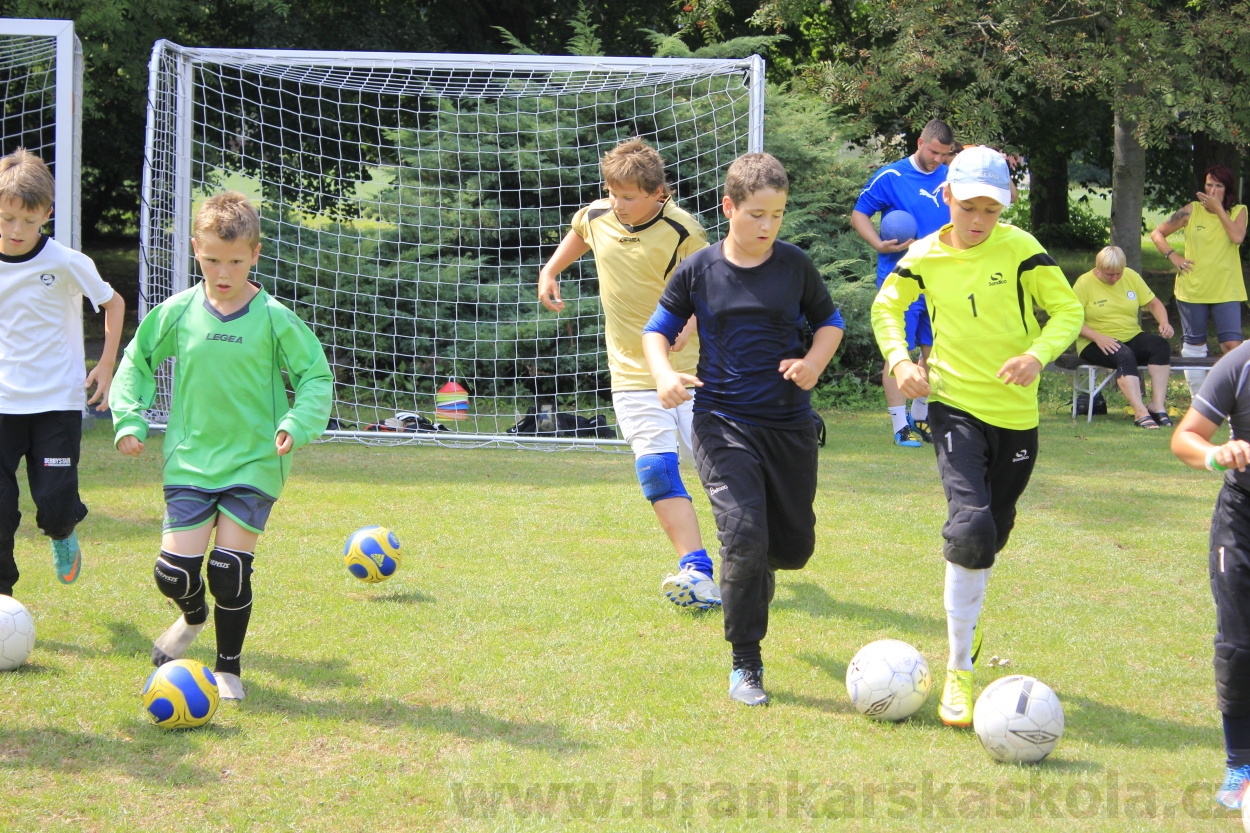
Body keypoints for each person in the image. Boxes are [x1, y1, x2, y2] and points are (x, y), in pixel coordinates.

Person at [870, 146, 1082, 727]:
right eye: (969, 207)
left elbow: (1065, 312)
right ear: (947, 198)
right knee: (971, 528)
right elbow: (886, 310)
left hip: (1016, 418)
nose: (979, 220)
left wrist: (1037, 356)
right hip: (954, 407)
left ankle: (971, 614)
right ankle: (960, 668)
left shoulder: (1022, 250)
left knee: (992, 535)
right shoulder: (923, 256)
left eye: (991, 209)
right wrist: (899, 360)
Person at [110, 192, 332, 701]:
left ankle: (228, 668)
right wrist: (129, 419)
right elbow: (136, 362)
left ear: (255, 254)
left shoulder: (275, 317)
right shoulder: (178, 312)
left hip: (255, 461)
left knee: (229, 570)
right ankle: (191, 617)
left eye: (235, 261)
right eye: (211, 259)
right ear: (195, 250)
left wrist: (297, 422)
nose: (223, 271)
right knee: (173, 575)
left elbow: (315, 377)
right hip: (190, 459)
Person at [642, 152, 844, 705]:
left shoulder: (795, 266)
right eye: (757, 214)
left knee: (793, 547)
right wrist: (663, 374)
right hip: (722, 422)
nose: (767, 226)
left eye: (777, 215)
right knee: (744, 537)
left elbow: (830, 322)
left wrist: (812, 365)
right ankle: (745, 662)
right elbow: (656, 330)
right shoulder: (700, 269)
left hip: (789, 425)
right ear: (729, 207)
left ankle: (753, 570)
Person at [538, 139, 720, 610]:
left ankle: (755, 547)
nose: (618, 204)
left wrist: (689, 325)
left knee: (719, 470)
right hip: (630, 373)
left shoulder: (685, 232)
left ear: (659, 192)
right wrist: (552, 270)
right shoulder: (597, 214)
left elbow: (711, 290)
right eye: (612, 193)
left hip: (689, 371)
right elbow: (582, 233)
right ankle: (697, 570)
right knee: (657, 469)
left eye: (628, 196)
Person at [0, 148, 124, 595]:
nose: (17, 231)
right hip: (2, 405)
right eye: (8, 218)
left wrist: (107, 363)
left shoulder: (67, 262)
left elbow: (113, 303)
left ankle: (62, 533)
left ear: (46, 215)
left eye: (29, 222)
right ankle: (2, 602)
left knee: (53, 506)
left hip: (56, 403)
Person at [1171, 343, 1250, 810]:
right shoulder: (1239, 364)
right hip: (1242, 518)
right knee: (1238, 645)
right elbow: (1186, 437)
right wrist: (1217, 453)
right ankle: (1240, 762)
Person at [851, 119, 956, 448]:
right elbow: (859, 214)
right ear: (920, 142)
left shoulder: (951, 178)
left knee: (935, 353)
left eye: (945, 154)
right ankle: (900, 425)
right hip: (901, 279)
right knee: (899, 353)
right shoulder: (892, 176)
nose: (939, 159)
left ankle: (921, 417)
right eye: (935, 151)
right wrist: (878, 245)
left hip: (941, 279)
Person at [1149, 165, 1247, 393]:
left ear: (1228, 188)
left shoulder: (1239, 210)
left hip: (1226, 288)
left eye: (1218, 186)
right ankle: (1199, 400)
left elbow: (1237, 237)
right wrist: (1173, 256)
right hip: (1192, 289)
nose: (1212, 190)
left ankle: (1236, 398)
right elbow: (1157, 234)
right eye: (1209, 185)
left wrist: (1219, 210)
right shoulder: (1191, 210)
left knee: (1231, 345)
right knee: (1194, 345)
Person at [1073, 245, 1175, 428]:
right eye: (1109, 274)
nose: (1114, 278)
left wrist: (1164, 322)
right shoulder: (1083, 283)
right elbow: (1071, 320)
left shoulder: (1131, 276)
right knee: (1124, 354)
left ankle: (1157, 405)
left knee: (1160, 346)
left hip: (1130, 335)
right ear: (1098, 268)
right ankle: (1140, 411)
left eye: (1118, 274)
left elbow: (1154, 304)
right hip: (1093, 341)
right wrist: (1097, 337)